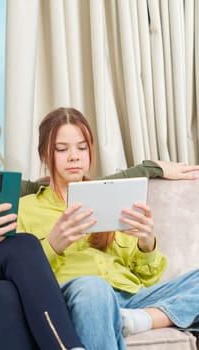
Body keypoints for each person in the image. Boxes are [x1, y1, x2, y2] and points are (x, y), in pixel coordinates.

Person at [17, 107, 199, 350]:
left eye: (82, 148)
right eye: (62, 149)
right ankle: (145, 319)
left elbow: (148, 277)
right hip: (77, 299)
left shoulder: (114, 196)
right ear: (43, 155)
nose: (74, 156)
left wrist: (146, 243)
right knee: (94, 287)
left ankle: (139, 320)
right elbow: (18, 276)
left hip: (131, 300)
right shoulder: (26, 209)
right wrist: (52, 245)